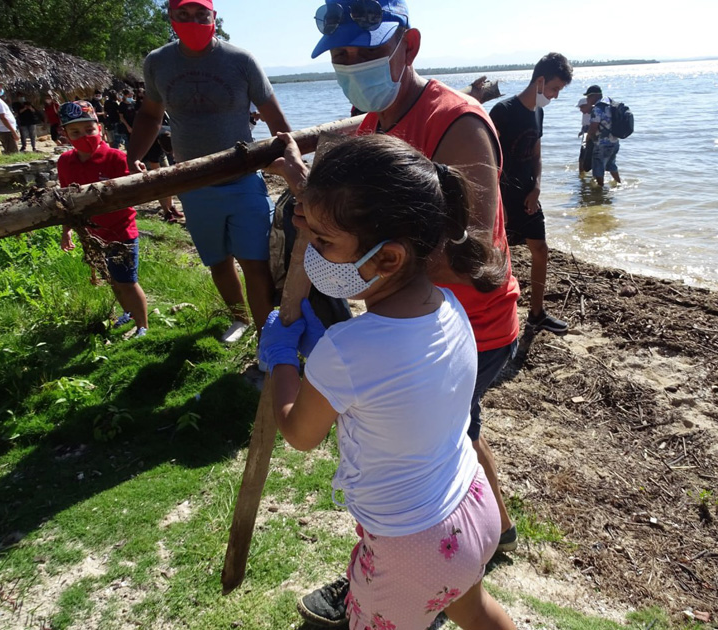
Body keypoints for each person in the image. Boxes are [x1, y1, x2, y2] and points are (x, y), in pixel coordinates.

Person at [296, 0, 521, 624]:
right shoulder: (371, 123)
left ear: (408, 46)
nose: (350, 65)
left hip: (462, 320)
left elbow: (477, 250)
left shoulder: (458, 124)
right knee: (452, 441)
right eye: (340, 56)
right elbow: (367, 223)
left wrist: (362, 274)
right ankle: (479, 542)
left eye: (364, 52)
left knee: (438, 448)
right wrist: (316, 207)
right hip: (415, 314)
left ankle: (421, 567)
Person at [262, 132, 517, 630]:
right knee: (473, 608)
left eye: (323, 241)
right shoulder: (452, 308)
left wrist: (282, 360)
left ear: (389, 258)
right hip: (473, 504)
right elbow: (390, 384)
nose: (310, 250)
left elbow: (298, 433)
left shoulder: (346, 350)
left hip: (413, 546)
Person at [126, 0, 291, 344]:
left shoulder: (241, 60)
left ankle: (266, 339)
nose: (194, 21)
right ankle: (239, 319)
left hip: (244, 179)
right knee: (218, 261)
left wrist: (294, 164)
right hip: (193, 183)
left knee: (255, 263)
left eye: (202, 14)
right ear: (171, 19)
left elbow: (275, 119)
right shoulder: (158, 62)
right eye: (183, 15)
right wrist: (134, 156)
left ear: (214, 17)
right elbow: (151, 116)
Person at [489, 53, 571, 336]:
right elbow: (486, 160)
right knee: (498, 260)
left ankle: (537, 314)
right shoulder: (502, 111)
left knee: (541, 250)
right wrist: (497, 202)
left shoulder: (539, 111)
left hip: (527, 195)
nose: (555, 96)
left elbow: (536, 154)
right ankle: (497, 319)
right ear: (540, 80)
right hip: (502, 198)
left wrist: (536, 188)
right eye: (554, 89)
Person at [56, 101, 148, 337]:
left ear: (100, 128)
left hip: (122, 231)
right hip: (92, 235)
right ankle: (128, 313)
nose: (84, 136)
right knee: (114, 281)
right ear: (65, 134)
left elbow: (135, 191)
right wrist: (67, 230)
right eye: (75, 132)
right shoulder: (65, 162)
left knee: (128, 281)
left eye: (89, 130)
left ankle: (143, 326)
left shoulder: (117, 158)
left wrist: (142, 176)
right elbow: (67, 200)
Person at [585, 85, 622, 186]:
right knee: (611, 165)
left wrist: (588, 139)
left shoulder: (597, 109)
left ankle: (600, 189)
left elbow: (593, 128)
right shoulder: (610, 105)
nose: (587, 99)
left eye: (588, 97)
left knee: (598, 167)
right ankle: (619, 183)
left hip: (602, 143)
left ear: (594, 96)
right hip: (615, 141)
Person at [577, 97, 594, 176]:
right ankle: (581, 175)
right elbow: (585, 125)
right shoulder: (585, 113)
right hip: (585, 136)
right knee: (581, 158)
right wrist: (581, 131)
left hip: (592, 137)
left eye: (582, 107)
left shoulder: (594, 113)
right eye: (580, 108)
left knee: (592, 157)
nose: (580, 110)